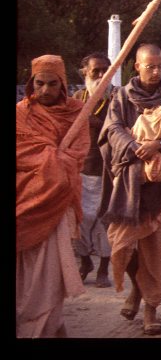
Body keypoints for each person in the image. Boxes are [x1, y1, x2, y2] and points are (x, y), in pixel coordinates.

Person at [98, 43, 161, 335]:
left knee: (157, 250)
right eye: (150, 66)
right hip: (128, 182)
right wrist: (135, 148)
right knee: (124, 243)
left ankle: (150, 309)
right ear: (137, 66)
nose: (156, 71)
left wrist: (159, 145)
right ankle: (135, 289)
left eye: (160, 66)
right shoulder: (121, 96)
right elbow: (112, 129)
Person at [17, 55, 90, 337]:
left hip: (58, 202)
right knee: (27, 273)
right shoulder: (20, 115)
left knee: (50, 273)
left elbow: (77, 155)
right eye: (40, 83)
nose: (45, 90)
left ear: (62, 84)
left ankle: (44, 327)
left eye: (51, 84)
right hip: (25, 202)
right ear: (31, 83)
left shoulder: (77, 113)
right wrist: (52, 157)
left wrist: (57, 161)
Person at [72, 52, 114, 288]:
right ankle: (85, 262)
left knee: (104, 222)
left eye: (105, 70)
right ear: (84, 72)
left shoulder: (117, 99)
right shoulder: (77, 99)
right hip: (80, 171)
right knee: (78, 221)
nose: (101, 75)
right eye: (95, 70)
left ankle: (103, 269)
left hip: (107, 173)